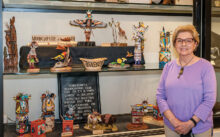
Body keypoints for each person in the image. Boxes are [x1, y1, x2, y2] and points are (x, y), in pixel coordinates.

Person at [156, 24, 216, 137]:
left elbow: (209, 100)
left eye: (188, 40)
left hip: (200, 129)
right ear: (174, 44)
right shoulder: (168, 67)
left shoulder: (206, 67)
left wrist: (191, 123)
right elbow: (160, 96)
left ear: (195, 44)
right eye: (179, 40)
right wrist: (174, 121)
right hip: (172, 128)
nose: (184, 44)